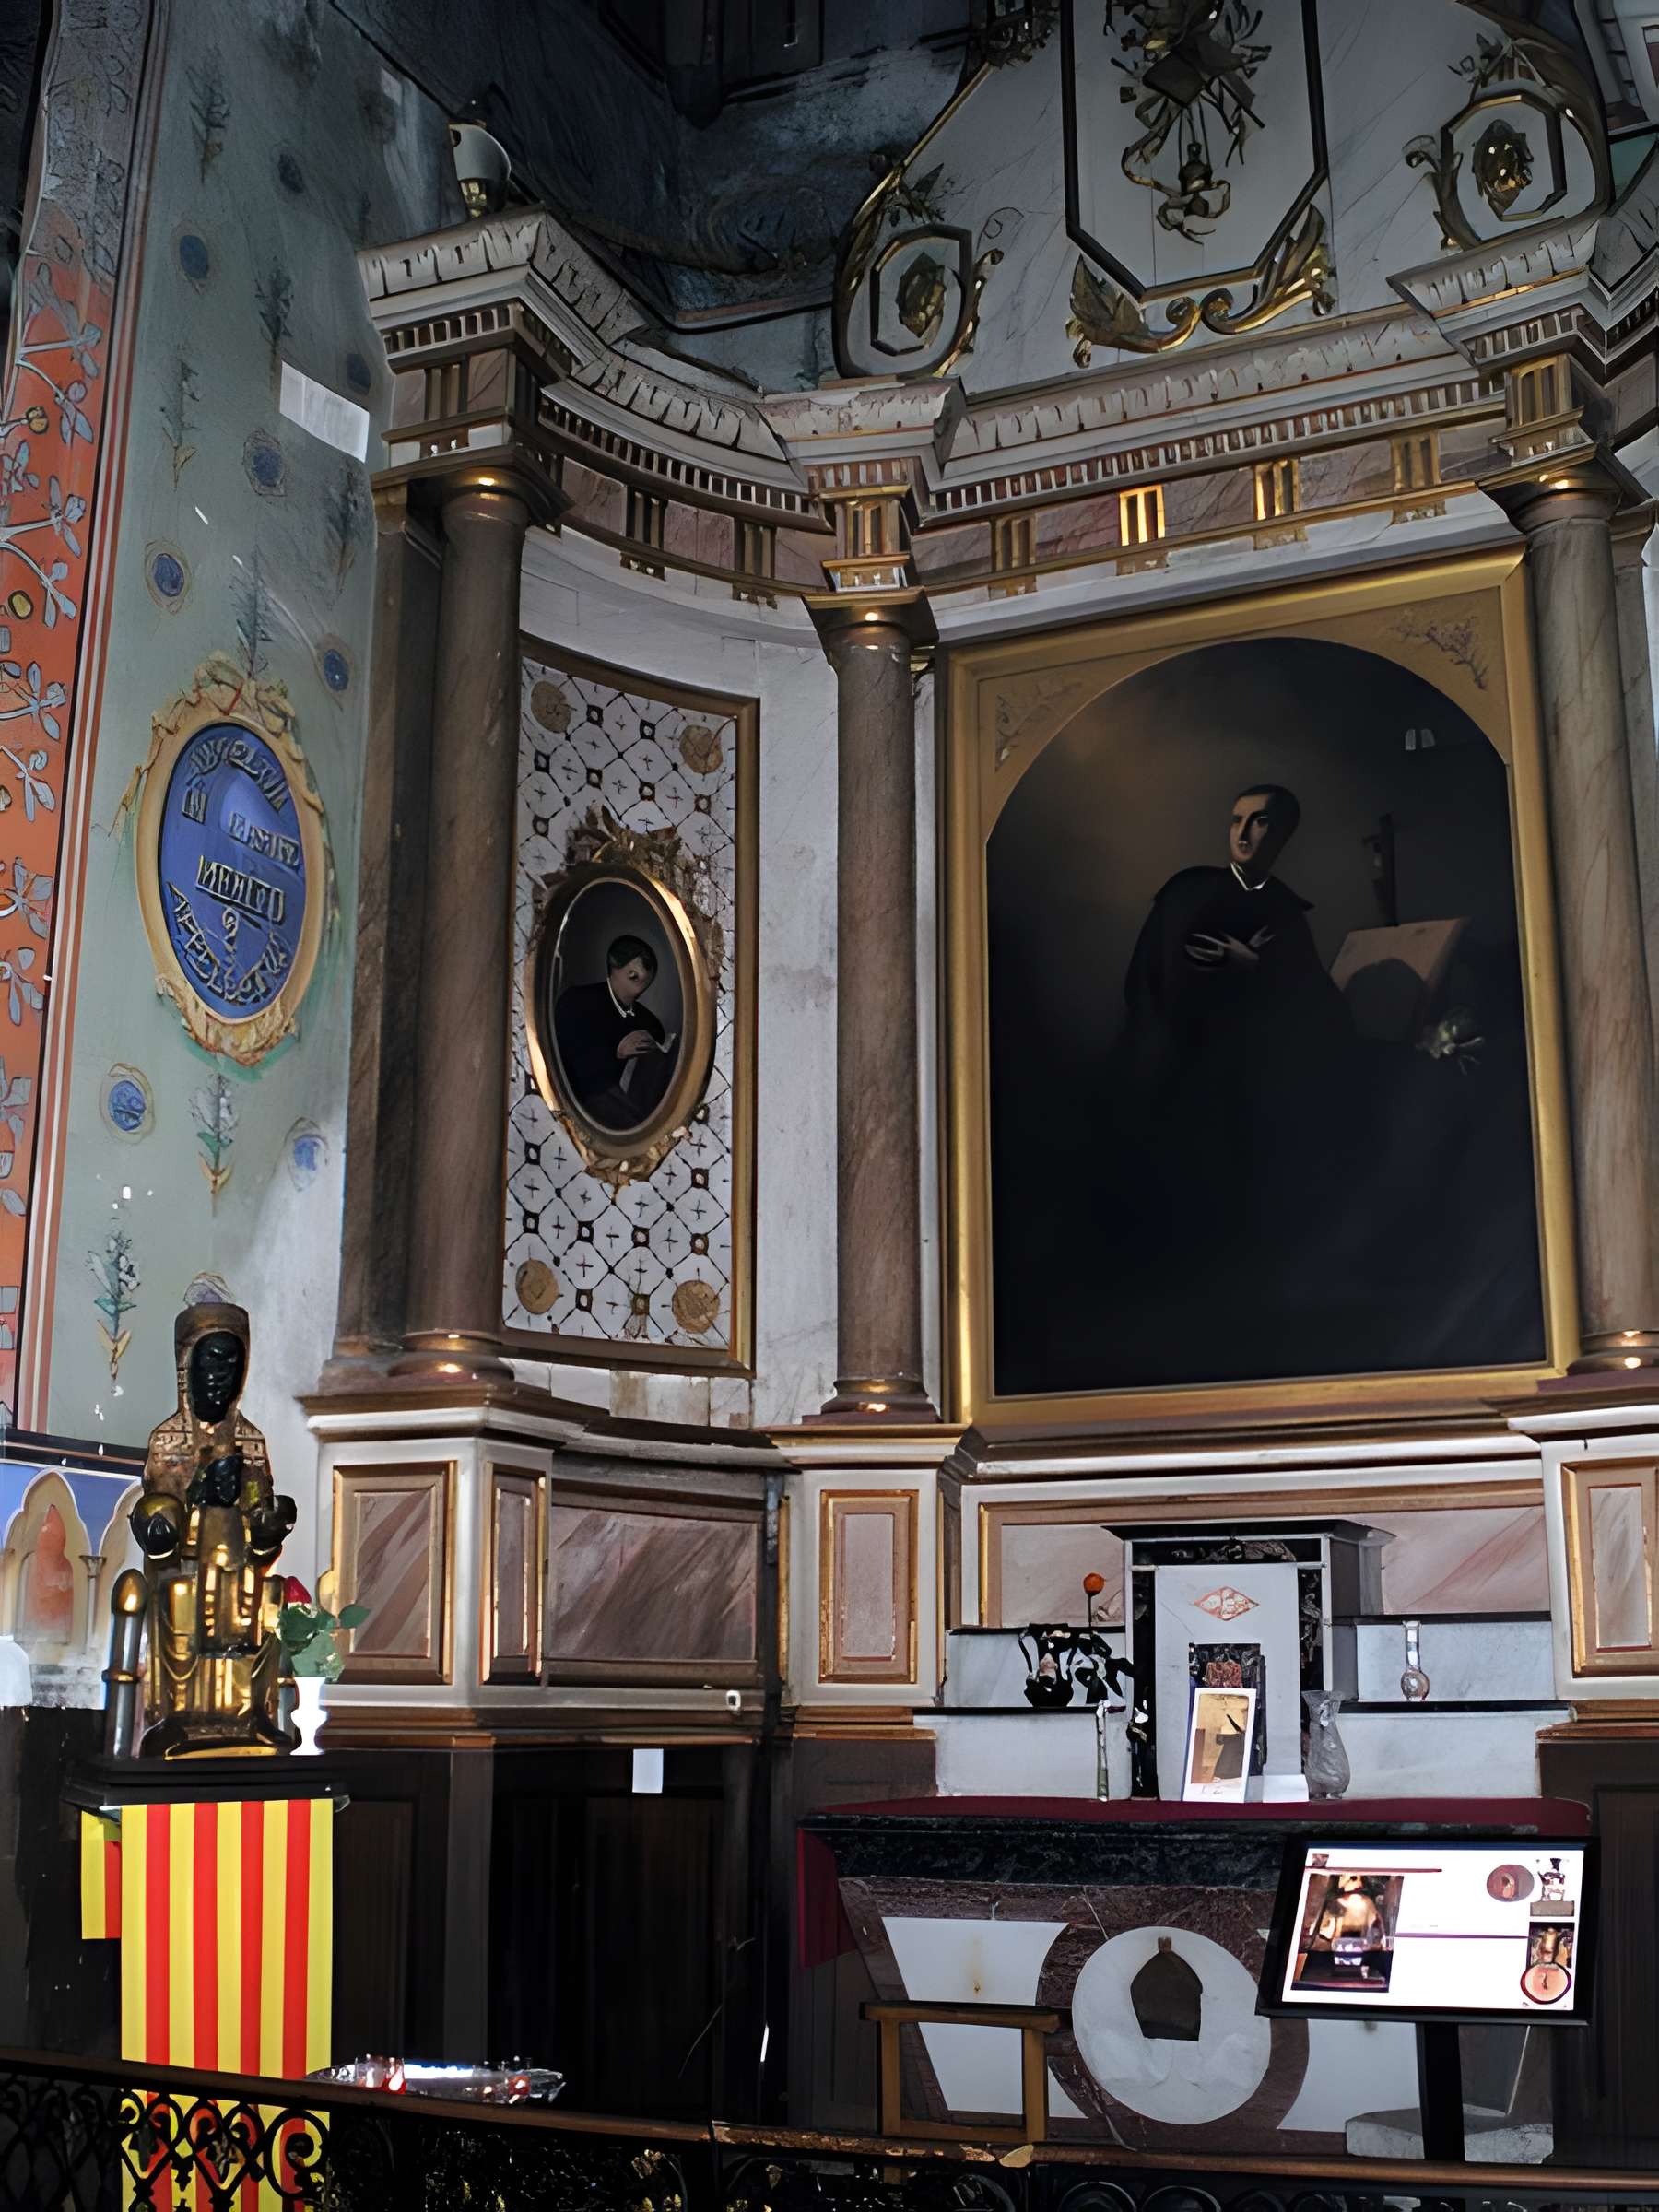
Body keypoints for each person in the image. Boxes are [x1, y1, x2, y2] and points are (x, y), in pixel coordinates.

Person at [554, 933, 675, 1128]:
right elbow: (570, 1064)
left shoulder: (649, 1022)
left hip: (637, 1102)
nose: (640, 981)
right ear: (614, 967)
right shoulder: (576, 1002)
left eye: (646, 977)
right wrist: (616, 1053)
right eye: (633, 974)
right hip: (585, 1103)